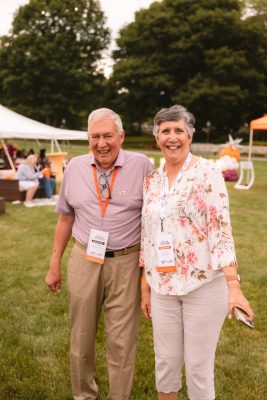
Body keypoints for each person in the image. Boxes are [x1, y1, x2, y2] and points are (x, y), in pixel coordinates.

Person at [140, 105, 254, 400]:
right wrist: (144, 284)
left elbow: (221, 230)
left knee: (198, 369)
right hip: (162, 287)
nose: (172, 137)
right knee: (165, 364)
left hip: (202, 286)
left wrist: (233, 285)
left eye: (179, 130)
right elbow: (148, 234)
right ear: (157, 138)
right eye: (165, 131)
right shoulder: (151, 180)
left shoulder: (208, 173)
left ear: (190, 135)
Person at [45, 108, 154, 400]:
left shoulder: (142, 165)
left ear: (121, 137)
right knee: (81, 336)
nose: (102, 143)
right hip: (84, 259)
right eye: (95, 136)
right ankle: (84, 395)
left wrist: (149, 274)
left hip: (127, 262)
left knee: (122, 339)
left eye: (108, 136)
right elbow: (65, 218)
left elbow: (154, 218)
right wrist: (54, 264)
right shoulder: (76, 167)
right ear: (88, 138)